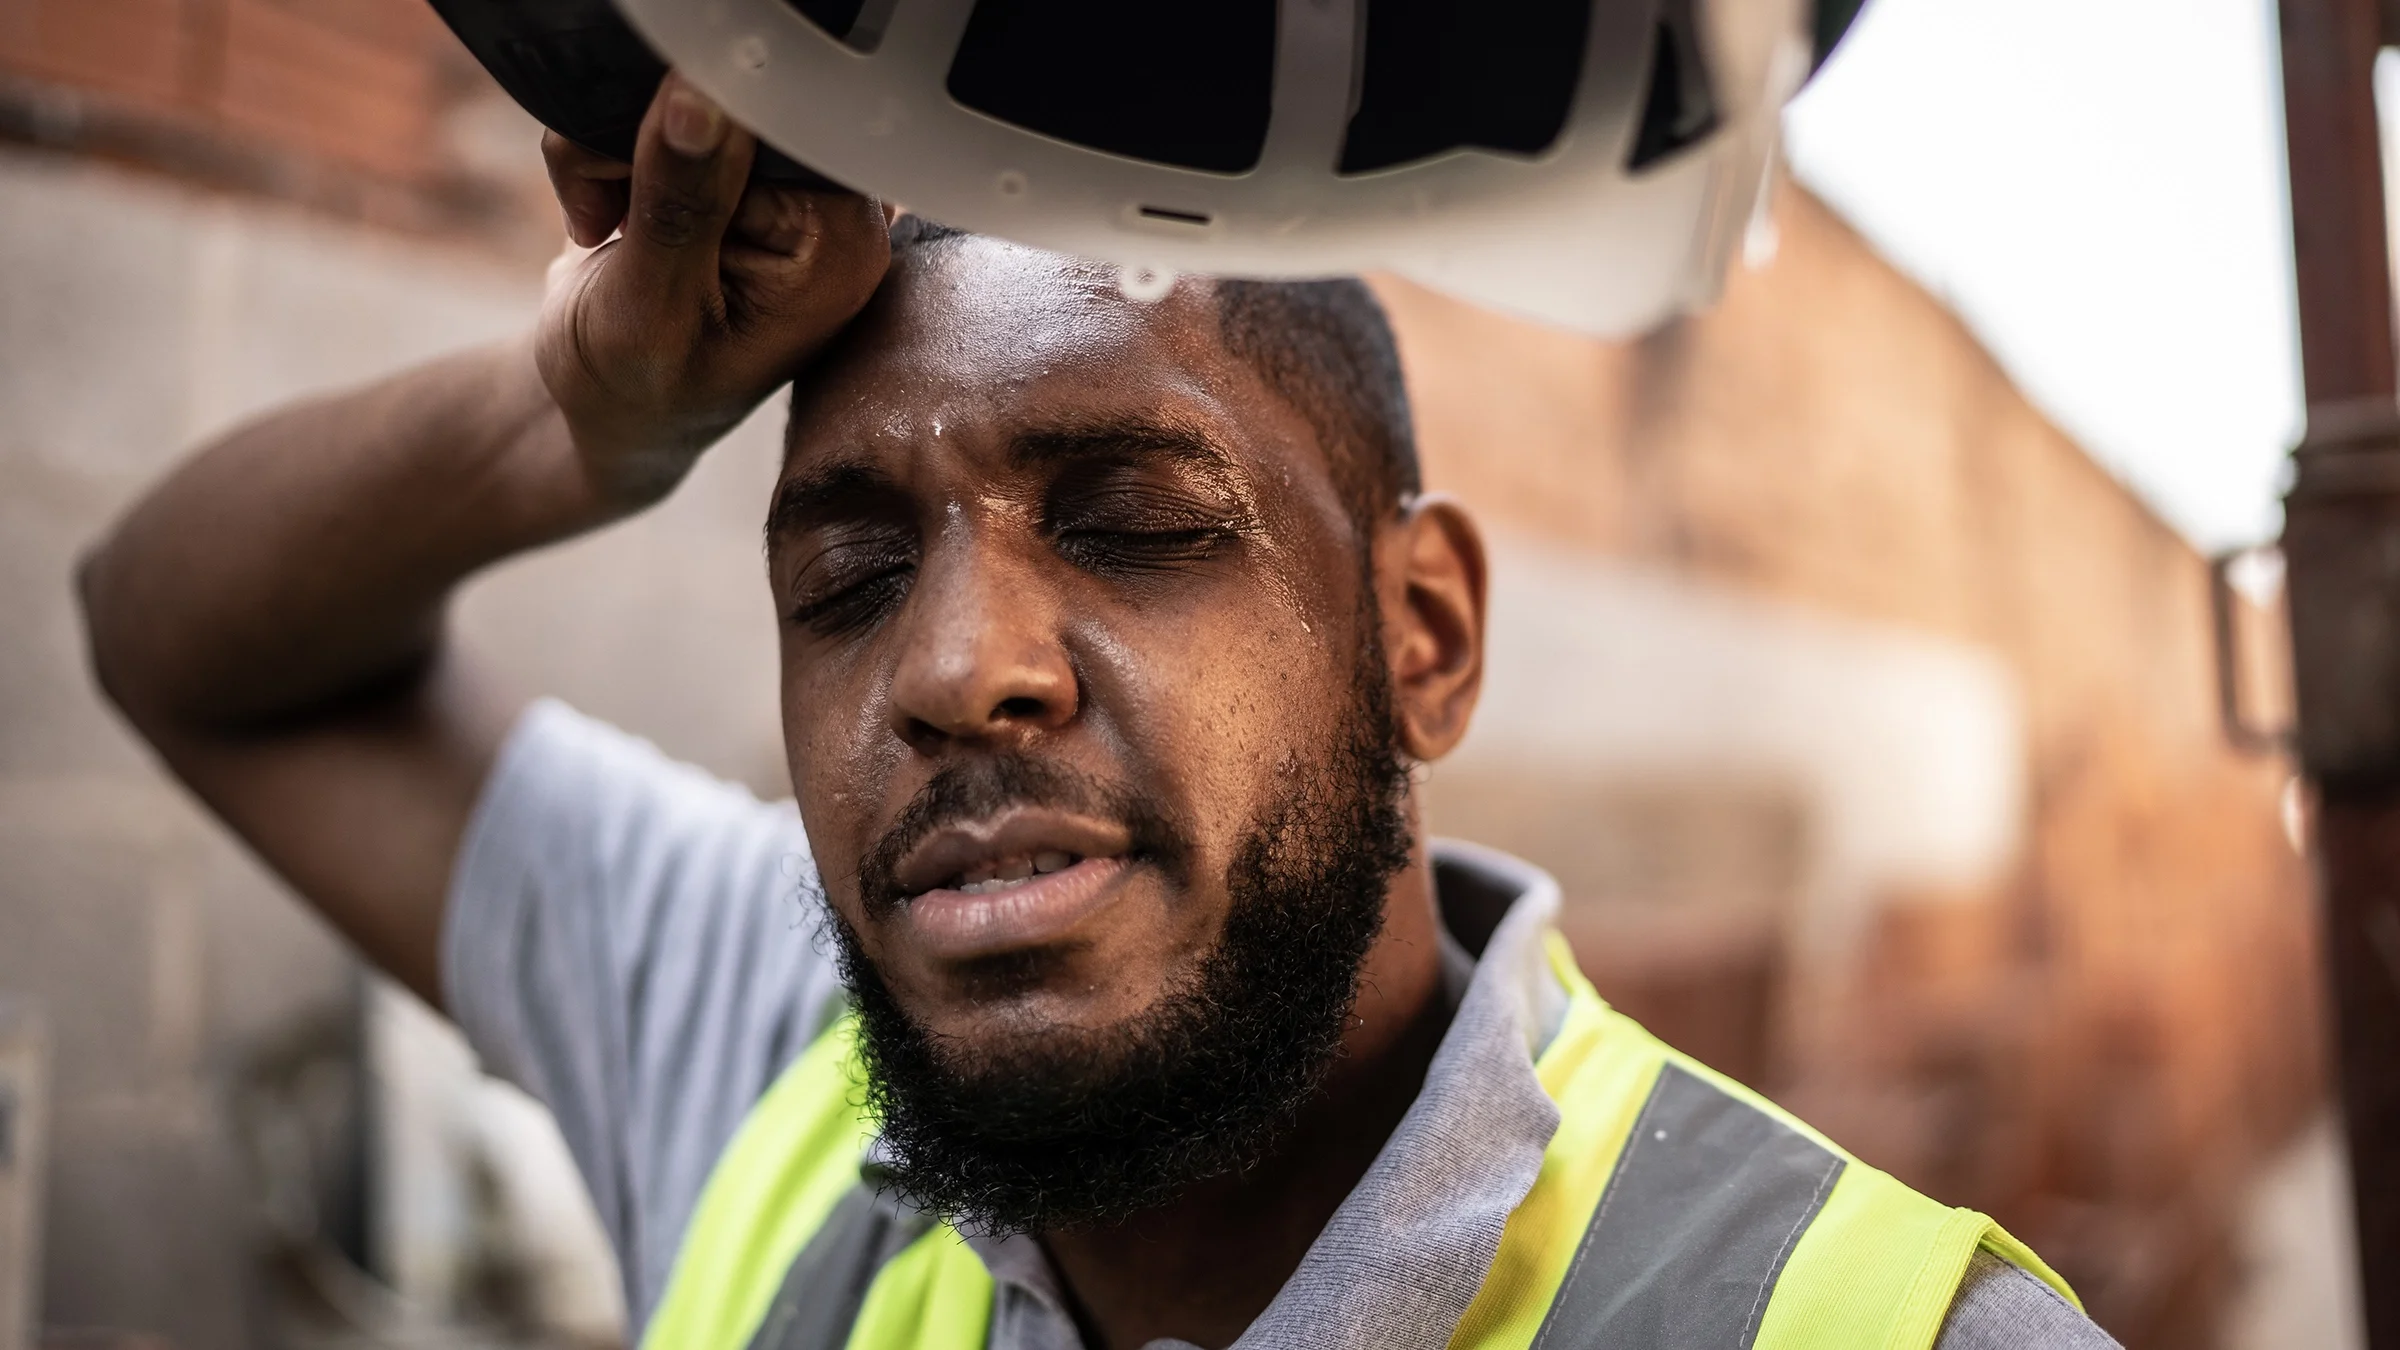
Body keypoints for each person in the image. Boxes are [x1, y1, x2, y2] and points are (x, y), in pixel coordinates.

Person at [78, 76, 2116, 1350]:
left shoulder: (1875, 1330)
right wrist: (583, 419)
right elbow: (174, 637)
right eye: (848, 579)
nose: (959, 671)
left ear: (1422, 637)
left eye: (1137, 526)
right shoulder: (769, 1062)